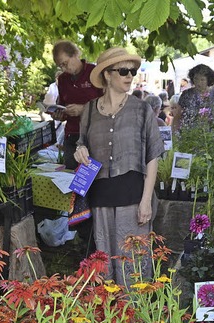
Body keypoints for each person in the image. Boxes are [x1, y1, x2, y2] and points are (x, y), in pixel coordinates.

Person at [74, 47, 164, 285]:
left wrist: (146, 200)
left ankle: (137, 316)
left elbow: (153, 155)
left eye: (132, 71)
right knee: (105, 261)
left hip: (133, 196)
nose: (129, 76)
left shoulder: (141, 109)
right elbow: (81, 143)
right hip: (101, 196)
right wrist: (80, 151)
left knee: (133, 260)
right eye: (123, 71)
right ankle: (110, 315)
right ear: (107, 75)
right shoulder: (90, 111)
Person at [52, 41, 103, 170]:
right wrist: (59, 114)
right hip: (72, 136)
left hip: (95, 134)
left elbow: (108, 104)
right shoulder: (63, 79)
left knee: (94, 180)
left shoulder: (94, 73)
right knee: (71, 178)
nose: (64, 69)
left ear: (75, 54)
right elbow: (62, 105)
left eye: (65, 63)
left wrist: (83, 109)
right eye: (60, 66)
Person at [171, 64, 214, 132]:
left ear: (208, 80)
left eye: (202, 80)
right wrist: (174, 134)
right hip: (188, 135)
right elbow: (177, 117)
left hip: (209, 137)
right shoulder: (186, 94)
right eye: (196, 79)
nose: (198, 82)